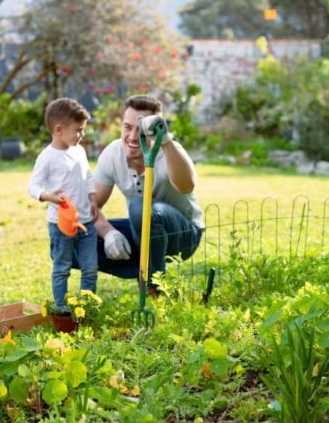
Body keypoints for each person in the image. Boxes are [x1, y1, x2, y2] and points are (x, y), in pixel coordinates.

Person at [88, 94, 204, 294]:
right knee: (75, 239)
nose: (133, 137)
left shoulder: (171, 151)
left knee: (140, 207)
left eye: (140, 130)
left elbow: (186, 186)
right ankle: (145, 265)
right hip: (143, 231)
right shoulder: (112, 153)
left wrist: (165, 141)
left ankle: (153, 287)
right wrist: (109, 233)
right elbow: (91, 206)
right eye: (127, 127)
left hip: (184, 235)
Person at [28, 98, 99, 311]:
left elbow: (87, 175)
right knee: (62, 268)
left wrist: (93, 198)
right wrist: (49, 196)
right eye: (78, 130)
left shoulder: (79, 151)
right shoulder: (47, 157)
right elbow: (32, 186)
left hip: (86, 222)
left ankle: (86, 306)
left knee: (90, 268)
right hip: (61, 226)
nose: (82, 135)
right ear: (59, 129)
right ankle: (62, 308)